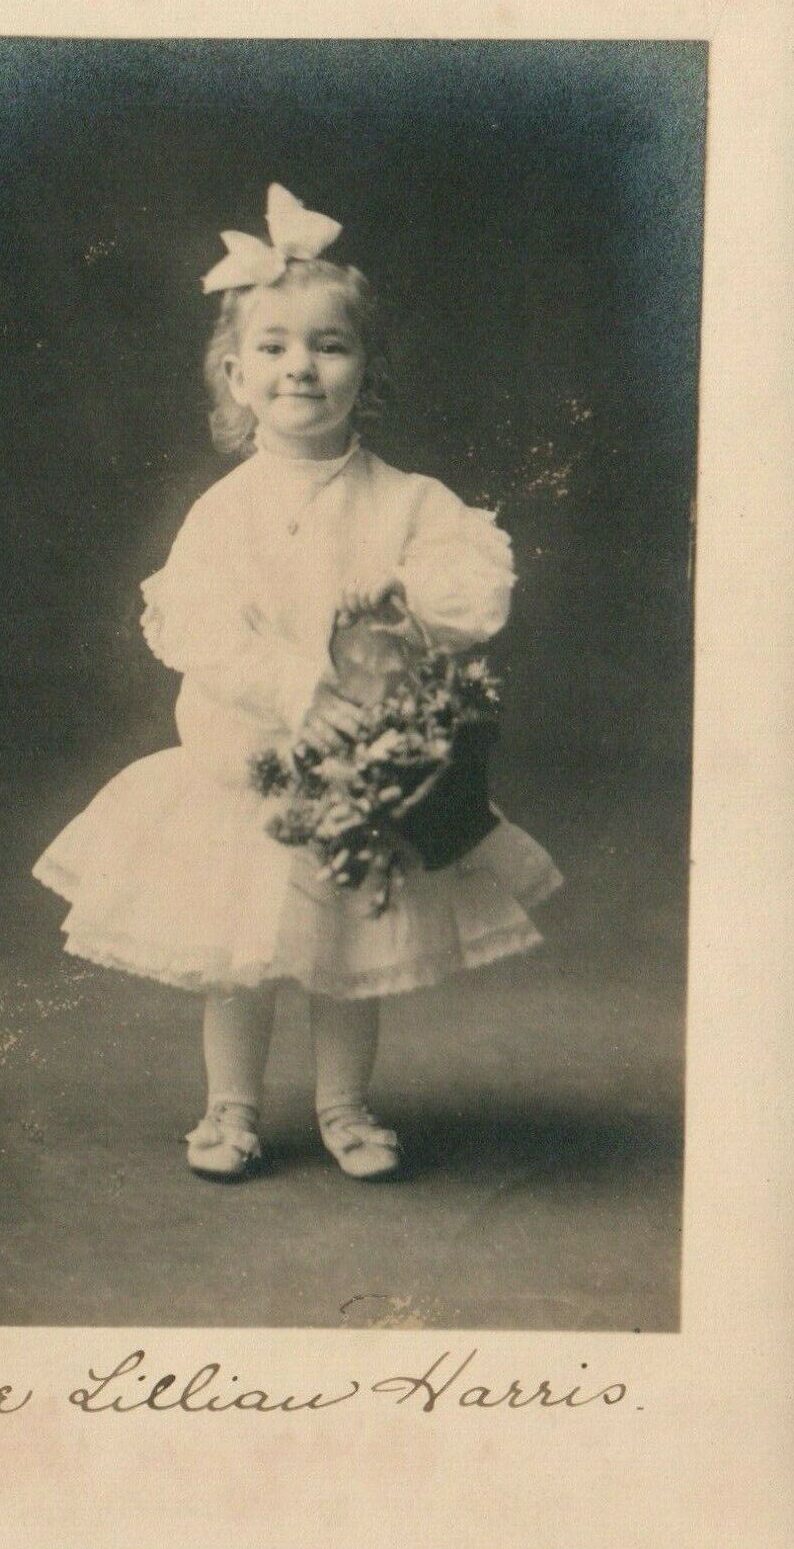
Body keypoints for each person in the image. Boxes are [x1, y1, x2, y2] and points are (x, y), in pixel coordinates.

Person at [32, 183, 562, 1183]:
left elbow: (470, 594)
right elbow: (199, 628)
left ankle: (344, 1104)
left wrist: (391, 633)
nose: (300, 368)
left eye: (329, 345)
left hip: (363, 777)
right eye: (272, 347)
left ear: (367, 368)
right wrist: (295, 683)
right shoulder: (224, 512)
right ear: (234, 375)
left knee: (347, 952)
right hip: (254, 771)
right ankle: (229, 1107)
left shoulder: (408, 501)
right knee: (237, 957)